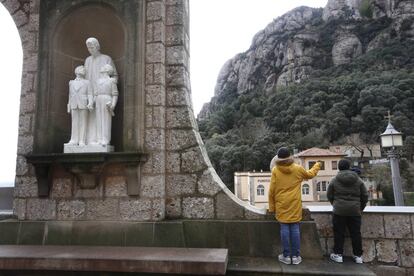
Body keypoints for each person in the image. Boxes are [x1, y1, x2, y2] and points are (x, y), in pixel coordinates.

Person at [268, 147, 321, 265]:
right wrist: (317, 165)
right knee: (295, 228)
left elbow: (271, 191)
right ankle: (296, 256)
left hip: (281, 204)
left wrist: (272, 207)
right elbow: (310, 175)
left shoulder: (275, 170)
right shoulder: (297, 169)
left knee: (284, 229)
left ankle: (286, 256)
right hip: (294, 203)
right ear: (290, 156)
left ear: (278, 158)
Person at [327, 159, 368, 264]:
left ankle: (338, 254)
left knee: (339, 233)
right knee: (356, 233)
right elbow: (365, 196)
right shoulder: (358, 180)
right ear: (349, 167)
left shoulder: (334, 179)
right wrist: (360, 208)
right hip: (355, 211)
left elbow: (329, 194)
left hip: (339, 211)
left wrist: (335, 204)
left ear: (339, 167)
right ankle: (358, 256)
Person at [84, 37, 118, 144]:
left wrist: (109, 84)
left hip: (104, 92)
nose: (90, 49)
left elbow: (115, 75)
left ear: (97, 46)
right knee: (90, 116)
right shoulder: (88, 60)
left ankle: (103, 139)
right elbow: (85, 77)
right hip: (91, 92)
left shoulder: (106, 58)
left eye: (92, 47)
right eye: (88, 48)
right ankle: (90, 140)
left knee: (103, 117)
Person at [65, 65, 93, 146]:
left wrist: (90, 102)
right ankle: (73, 139)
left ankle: (81, 140)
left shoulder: (87, 82)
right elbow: (70, 95)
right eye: (82, 69)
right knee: (74, 122)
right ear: (77, 71)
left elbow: (90, 94)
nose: (84, 71)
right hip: (74, 104)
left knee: (83, 123)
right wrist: (69, 106)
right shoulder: (71, 82)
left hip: (83, 104)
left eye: (84, 70)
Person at [94, 64, 118, 145]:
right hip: (98, 100)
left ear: (107, 70)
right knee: (98, 120)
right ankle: (99, 139)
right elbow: (95, 93)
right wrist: (93, 102)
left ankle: (106, 139)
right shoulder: (98, 81)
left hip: (107, 99)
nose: (102, 67)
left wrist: (113, 105)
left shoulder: (111, 81)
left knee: (106, 120)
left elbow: (115, 94)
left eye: (104, 67)